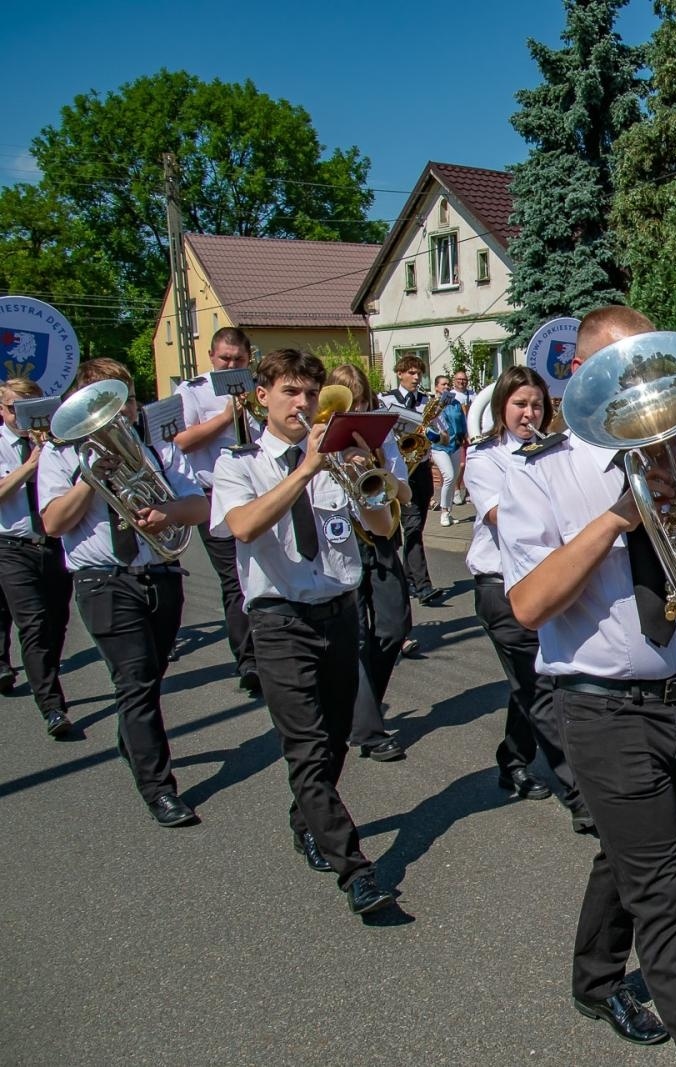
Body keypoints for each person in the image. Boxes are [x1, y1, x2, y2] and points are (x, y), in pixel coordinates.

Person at [500, 306, 676, 1063]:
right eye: (622, 375)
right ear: (581, 380)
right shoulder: (543, 473)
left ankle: (594, 974)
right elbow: (526, 604)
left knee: (628, 857)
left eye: (651, 372)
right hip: (601, 711)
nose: (642, 392)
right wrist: (618, 517)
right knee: (667, 901)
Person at [212, 348, 399, 915]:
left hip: (338, 613)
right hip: (278, 621)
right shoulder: (238, 463)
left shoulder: (335, 457)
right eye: (291, 392)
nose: (303, 403)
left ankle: (306, 818)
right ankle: (355, 871)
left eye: (311, 394)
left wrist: (373, 475)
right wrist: (305, 471)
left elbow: (383, 525)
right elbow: (242, 526)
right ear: (261, 396)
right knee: (307, 748)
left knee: (337, 736)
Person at [39, 358, 209, 826]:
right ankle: (159, 789)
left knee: (148, 679)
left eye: (126, 401)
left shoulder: (157, 449)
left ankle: (129, 740)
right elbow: (53, 523)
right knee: (134, 681)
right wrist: (91, 479)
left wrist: (168, 513)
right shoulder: (61, 455)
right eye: (106, 404)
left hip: (160, 576)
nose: (122, 413)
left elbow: (199, 506)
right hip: (104, 582)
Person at [464, 364, 589, 831]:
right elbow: (505, 518)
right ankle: (580, 793)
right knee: (541, 691)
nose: (529, 412)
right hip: (503, 586)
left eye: (537, 404)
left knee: (536, 681)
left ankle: (513, 758)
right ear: (502, 408)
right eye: (519, 404)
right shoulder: (485, 458)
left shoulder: (554, 451)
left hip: (549, 581)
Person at [325, 363, 408, 763]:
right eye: (348, 407)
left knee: (394, 627)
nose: (356, 414)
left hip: (382, 534)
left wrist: (374, 467)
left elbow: (404, 493)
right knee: (354, 635)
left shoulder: (383, 437)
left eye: (362, 405)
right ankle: (371, 730)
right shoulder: (319, 443)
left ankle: (359, 706)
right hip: (340, 542)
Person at [172, 327, 259, 693]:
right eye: (224, 358)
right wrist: (225, 417)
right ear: (211, 356)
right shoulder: (192, 391)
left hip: (255, 491)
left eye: (238, 360)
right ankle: (249, 660)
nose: (230, 365)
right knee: (234, 579)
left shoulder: (256, 385)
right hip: (213, 495)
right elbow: (180, 441)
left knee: (260, 572)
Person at [0, 378, 73, 737]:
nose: (23, 418)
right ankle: (52, 706)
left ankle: (45, 671)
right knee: (34, 624)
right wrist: (30, 466)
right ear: (3, 409)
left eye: (32, 410)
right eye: (16, 409)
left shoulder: (55, 443)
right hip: (11, 546)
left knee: (58, 621)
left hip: (54, 544)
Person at [379, 354, 442, 605]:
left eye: (419, 373)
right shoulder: (386, 401)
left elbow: (441, 434)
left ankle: (409, 579)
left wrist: (434, 434)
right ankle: (423, 585)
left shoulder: (427, 401)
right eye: (412, 373)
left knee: (416, 529)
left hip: (422, 468)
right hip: (401, 471)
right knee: (412, 526)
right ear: (400, 374)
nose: (416, 378)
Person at [430, 374, 468, 527]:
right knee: (449, 476)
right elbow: (429, 421)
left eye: (447, 384)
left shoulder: (456, 403)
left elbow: (462, 421)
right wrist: (439, 406)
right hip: (440, 446)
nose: (446, 387)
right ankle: (443, 512)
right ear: (436, 387)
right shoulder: (432, 404)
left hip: (455, 444)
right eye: (443, 384)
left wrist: (465, 436)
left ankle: (449, 512)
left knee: (453, 479)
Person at [451, 369, 474, 507]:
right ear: (454, 381)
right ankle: (456, 489)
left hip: (472, 433)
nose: (462, 382)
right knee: (461, 464)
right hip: (458, 434)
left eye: (464, 380)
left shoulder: (472, 394)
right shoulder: (451, 395)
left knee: (471, 463)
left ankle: (469, 491)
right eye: (459, 379)